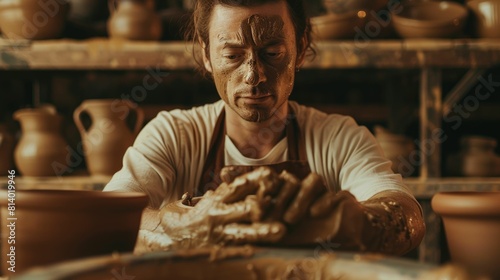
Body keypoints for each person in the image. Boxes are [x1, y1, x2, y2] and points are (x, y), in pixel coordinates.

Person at [104, 0, 425, 255]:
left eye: (272, 53)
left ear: (300, 48)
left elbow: (408, 218)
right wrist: (179, 226)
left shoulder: (340, 138)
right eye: (232, 55)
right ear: (206, 55)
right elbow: (103, 220)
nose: (253, 76)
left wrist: (341, 223)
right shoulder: (174, 134)